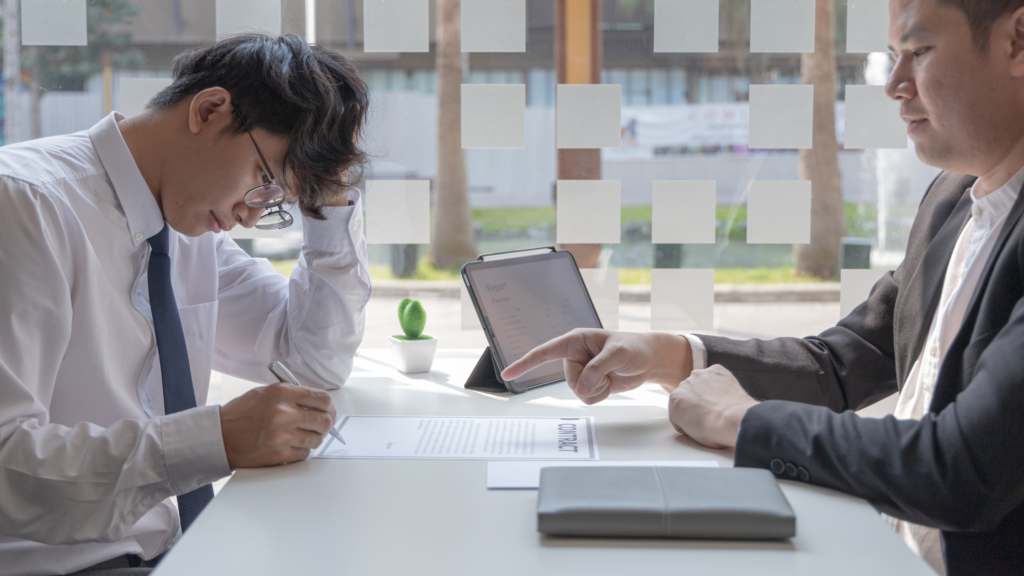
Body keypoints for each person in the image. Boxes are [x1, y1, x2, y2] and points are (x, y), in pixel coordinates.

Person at [503, 1, 1024, 574]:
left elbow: (958, 470)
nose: (895, 86)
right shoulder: (952, 198)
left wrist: (742, 421)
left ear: (1017, 40)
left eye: (919, 52)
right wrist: (668, 354)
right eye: (892, 56)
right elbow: (843, 363)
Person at [0, 35, 371, 575]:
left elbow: (312, 361)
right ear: (209, 109)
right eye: (263, 183)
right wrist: (212, 439)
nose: (251, 216)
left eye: (276, 204)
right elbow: (7, 466)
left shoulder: (187, 229)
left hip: (174, 553)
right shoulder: (24, 205)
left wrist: (330, 197)